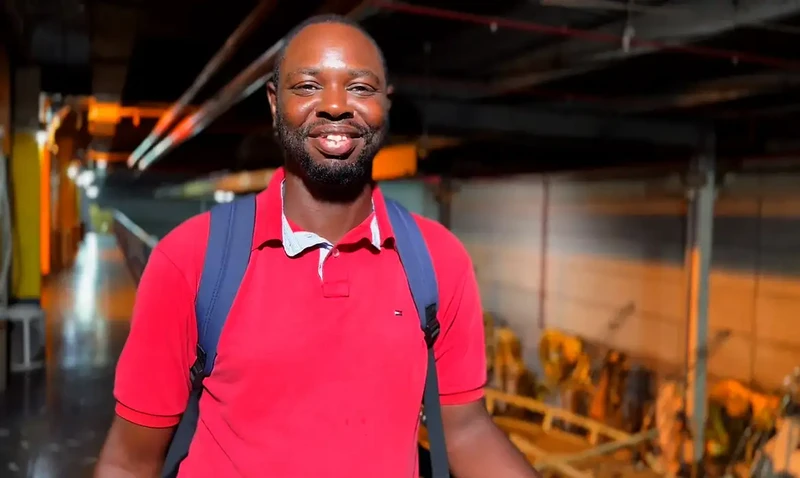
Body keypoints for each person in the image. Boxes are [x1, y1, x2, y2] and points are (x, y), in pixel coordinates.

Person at [94, 14, 539, 478]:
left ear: (386, 105)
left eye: (361, 88)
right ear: (273, 102)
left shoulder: (438, 262)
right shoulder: (192, 259)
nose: (334, 106)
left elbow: (466, 431)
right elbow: (129, 460)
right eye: (307, 86)